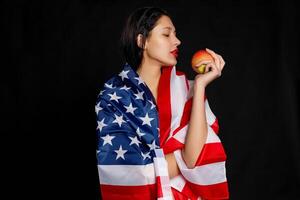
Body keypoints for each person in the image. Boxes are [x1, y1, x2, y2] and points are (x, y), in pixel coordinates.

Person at [95, 6, 229, 200]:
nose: (177, 41)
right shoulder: (115, 96)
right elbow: (128, 174)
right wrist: (178, 157)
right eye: (166, 34)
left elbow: (194, 159)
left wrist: (200, 86)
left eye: (175, 34)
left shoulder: (187, 89)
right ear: (142, 41)